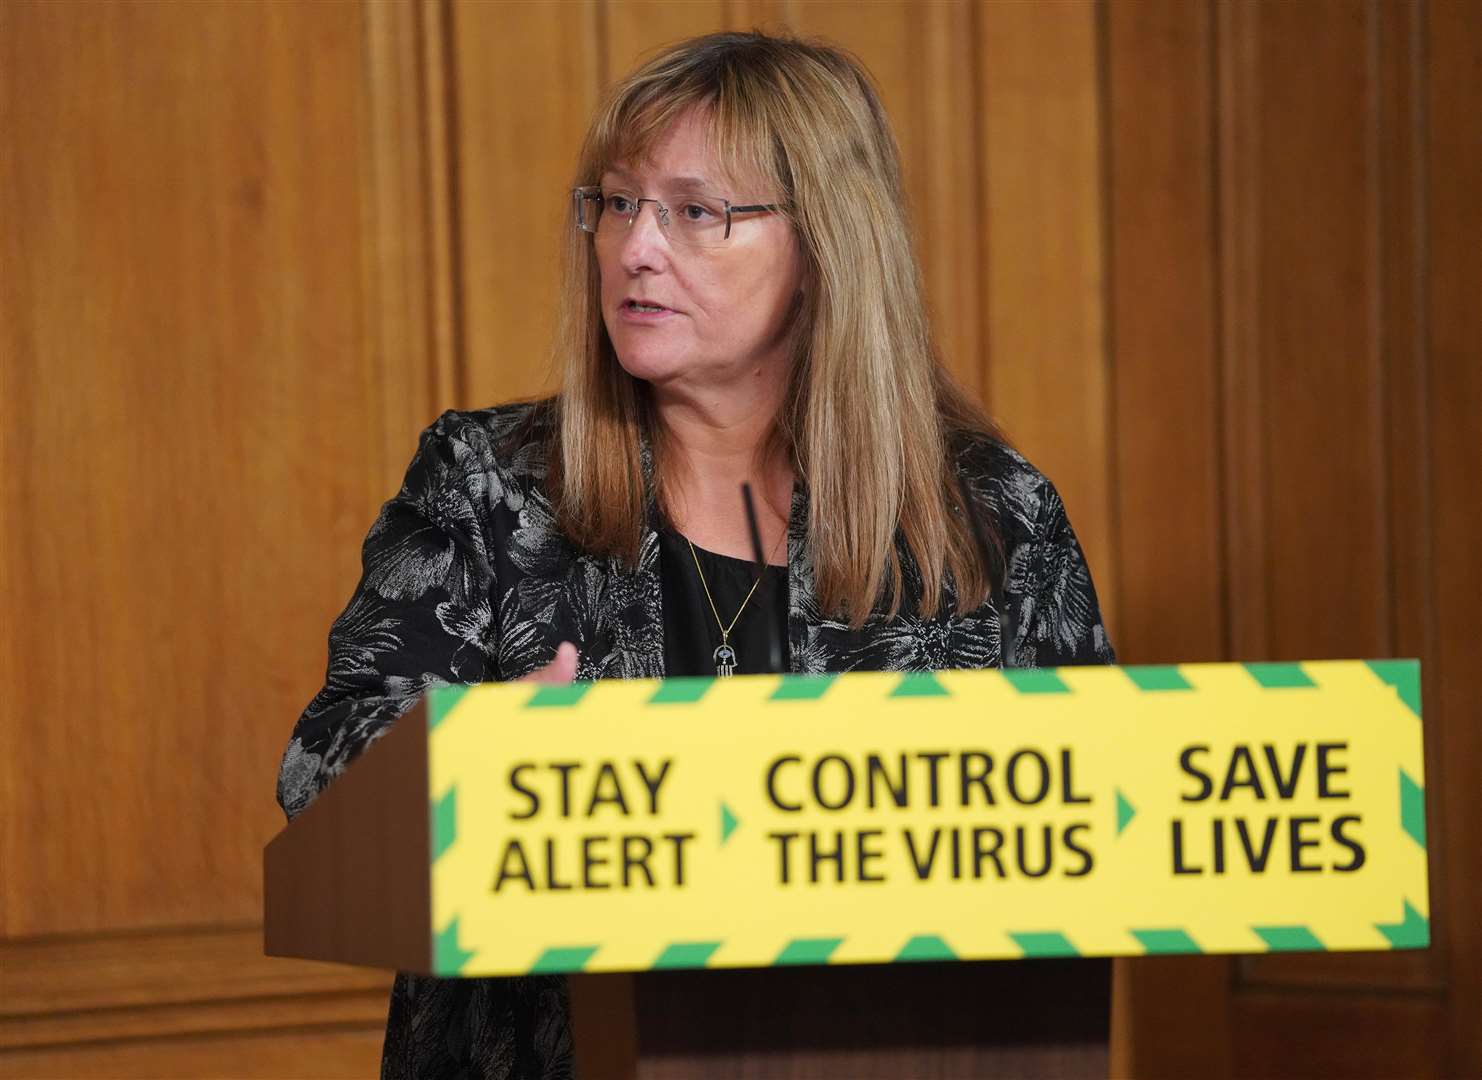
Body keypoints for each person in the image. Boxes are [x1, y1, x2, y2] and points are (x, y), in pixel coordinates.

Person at [276, 29, 1114, 1080]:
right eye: (617, 203)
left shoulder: (990, 520)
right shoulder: (489, 484)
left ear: (824, 250)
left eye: (696, 212)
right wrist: (480, 756)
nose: (636, 247)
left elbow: (1096, 825)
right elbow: (323, 766)